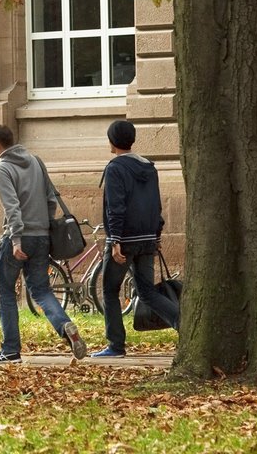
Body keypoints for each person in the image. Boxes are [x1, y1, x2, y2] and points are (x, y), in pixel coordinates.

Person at [0, 125, 86, 363]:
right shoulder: (36, 161)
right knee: (41, 290)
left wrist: (16, 239)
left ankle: (10, 350)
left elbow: (11, 207)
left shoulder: (2, 169)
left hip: (18, 238)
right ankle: (65, 326)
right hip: (42, 236)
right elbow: (51, 199)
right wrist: (45, 227)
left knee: (7, 292)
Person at [92, 120, 179, 358]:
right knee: (148, 291)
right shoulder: (149, 168)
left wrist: (115, 240)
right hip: (148, 238)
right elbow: (156, 204)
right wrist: (157, 233)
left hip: (125, 239)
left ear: (112, 140)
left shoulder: (114, 169)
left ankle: (116, 345)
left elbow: (116, 207)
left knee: (110, 290)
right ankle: (185, 326)